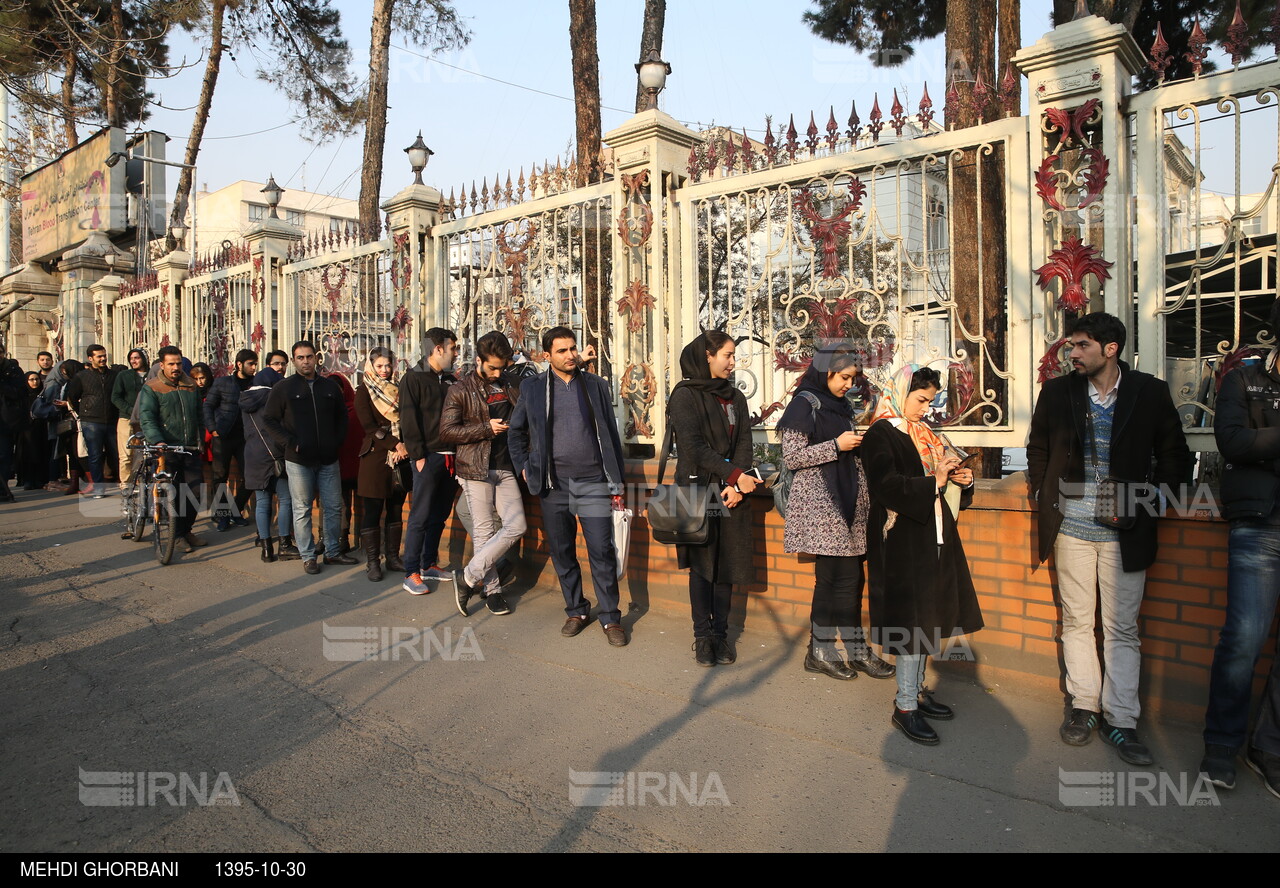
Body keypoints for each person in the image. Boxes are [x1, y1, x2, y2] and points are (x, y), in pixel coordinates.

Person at [1027, 311, 1191, 766]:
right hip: (1072, 529)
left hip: (1126, 533)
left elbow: (1175, 454)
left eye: (1081, 346)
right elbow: (1037, 445)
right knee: (1077, 622)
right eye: (1071, 346)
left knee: (1121, 628)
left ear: (1110, 349)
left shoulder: (1149, 392)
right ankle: (1084, 707)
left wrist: (1150, 499)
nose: (1072, 353)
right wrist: (1041, 489)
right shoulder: (1059, 392)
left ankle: (1122, 719)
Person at [862, 365, 983, 746]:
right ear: (901, 391)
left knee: (927, 617)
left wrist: (962, 478)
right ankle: (904, 707)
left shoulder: (925, 432)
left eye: (930, 400)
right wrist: (936, 480)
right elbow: (885, 486)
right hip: (900, 539)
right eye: (920, 399)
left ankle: (914, 694)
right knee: (911, 624)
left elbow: (941, 472)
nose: (925, 407)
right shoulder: (881, 433)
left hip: (933, 532)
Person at [1200, 297, 1280, 798]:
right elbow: (1232, 442)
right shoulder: (1245, 379)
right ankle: (1221, 746)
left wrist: (1264, 440)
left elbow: (1255, 444)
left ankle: (1268, 747)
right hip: (1261, 524)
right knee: (1245, 638)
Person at [777, 347, 893, 681]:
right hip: (822, 505)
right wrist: (836, 446)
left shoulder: (840, 406)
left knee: (852, 581)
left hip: (848, 503)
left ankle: (855, 651)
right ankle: (821, 651)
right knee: (832, 581)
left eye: (853, 378)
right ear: (826, 372)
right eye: (843, 377)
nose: (848, 385)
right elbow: (792, 457)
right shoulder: (804, 403)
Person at [509, 326, 628, 646]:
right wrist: (523, 466)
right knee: (562, 551)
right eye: (562, 350)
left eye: (572, 348)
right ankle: (576, 610)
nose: (570, 355)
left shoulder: (595, 386)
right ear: (546, 356)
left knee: (602, 550)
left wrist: (616, 482)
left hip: (591, 482)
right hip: (552, 484)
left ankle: (610, 617)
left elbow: (610, 436)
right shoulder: (532, 388)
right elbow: (515, 432)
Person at [664, 331, 756, 665]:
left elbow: (745, 441)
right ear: (707, 356)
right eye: (727, 355)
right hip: (697, 489)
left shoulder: (735, 397)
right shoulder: (685, 396)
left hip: (731, 493)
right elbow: (693, 447)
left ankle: (721, 636)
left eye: (733, 356)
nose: (733, 362)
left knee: (726, 565)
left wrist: (736, 483)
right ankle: (702, 636)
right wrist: (735, 475)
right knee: (703, 567)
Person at [440, 330, 525, 617]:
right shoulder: (460, 389)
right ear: (479, 360)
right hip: (475, 467)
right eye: (492, 367)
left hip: (506, 465)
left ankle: (467, 577)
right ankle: (493, 592)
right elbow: (447, 432)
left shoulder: (512, 383)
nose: (498, 372)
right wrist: (487, 428)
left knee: (516, 526)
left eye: (502, 367)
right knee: (484, 532)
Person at [262, 340, 356, 574]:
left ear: (317, 358)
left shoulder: (329, 387)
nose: (305, 361)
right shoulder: (283, 388)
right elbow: (269, 420)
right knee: (302, 508)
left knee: (333, 506)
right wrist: (291, 443)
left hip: (328, 458)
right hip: (298, 460)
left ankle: (333, 552)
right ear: (294, 361)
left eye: (309, 357)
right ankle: (308, 556)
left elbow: (341, 417)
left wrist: (335, 441)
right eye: (300, 358)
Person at [399, 327, 460, 594]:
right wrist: (418, 455)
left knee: (439, 514)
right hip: (428, 457)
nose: (456, 353)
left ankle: (428, 563)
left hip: (450, 456)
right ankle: (411, 571)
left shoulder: (449, 379)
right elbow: (409, 421)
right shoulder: (413, 378)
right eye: (453, 348)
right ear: (438, 349)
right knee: (420, 515)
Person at [136, 346, 208, 553]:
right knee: (174, 493)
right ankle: (176, 536)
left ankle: (186, 531)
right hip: (166, 449)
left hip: (190, 448)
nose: (176, 367)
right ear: (162, 365)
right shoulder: (152, 387)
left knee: (194, 491)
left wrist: (200, 440)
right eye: (171, 364)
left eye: (178, 363)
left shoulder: (191, 386)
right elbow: (147, 418)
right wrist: (157, 441)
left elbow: (199, 416)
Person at [353, 347, 409, 582]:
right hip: (376, 457)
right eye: (379, 366)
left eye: (388, 365)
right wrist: (396, 444)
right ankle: (373, 562)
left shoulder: (399, 388)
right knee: (373, 511)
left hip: (401, 457)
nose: (385, 370)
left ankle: (393, 557)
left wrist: (403, 446)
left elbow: (408, 419)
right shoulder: (363, 391)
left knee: (396, 508)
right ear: (371, 366)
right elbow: (369, 427)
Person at [241, 365, 295, 562]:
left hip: (253, 456)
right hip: (275, 455)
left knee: (262, 503)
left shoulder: (245, 401)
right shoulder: (275, 399)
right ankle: (284, 544)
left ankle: (265, 549)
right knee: (285, 500)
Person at [204, 349, 257, 531]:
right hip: (223, 436)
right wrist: (213, 429)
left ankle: (234, 510)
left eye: (255, 363)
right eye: (251, 364)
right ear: (239, 364)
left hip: (246, 438)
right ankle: (224, 515)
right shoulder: (222, 383)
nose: (254, 367)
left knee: (251, 477)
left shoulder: (256, 384)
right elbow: (208, 406)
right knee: (220, 477)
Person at [64, 344, 119, 497]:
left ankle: (123, 485)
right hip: (91, 421)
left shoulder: (114, 375)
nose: (102, 359)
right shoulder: (82, 376)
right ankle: (99, 488)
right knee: (95, 456)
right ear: (90, 358)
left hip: (112, 420)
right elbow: (72, 397)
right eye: (98, 356)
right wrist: (84, 411)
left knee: (115, 454)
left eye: (104, 355)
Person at [33, 359, 83, 494]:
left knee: (58, 451)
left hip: (59, 423)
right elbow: (53, 404)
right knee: (56, 451)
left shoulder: (59, 381)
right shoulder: (54, 383)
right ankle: (52, 480)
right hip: (57, 423)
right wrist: (63, 405)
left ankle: (55, 479)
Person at [327, 371, 363, 554]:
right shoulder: (325, 409)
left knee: (354, 504)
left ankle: (348, 539)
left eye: (338, 389)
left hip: (356, 465)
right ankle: (337, 539)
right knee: (338, 504)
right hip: (334, 465)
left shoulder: (356, 408)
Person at [110, 349, 148, 497]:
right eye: (131, 358)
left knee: (143, 453)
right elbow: (116, 397)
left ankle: (140, 482)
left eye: (137, 358)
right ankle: (126, 484)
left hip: (146, 420)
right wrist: (130, 410)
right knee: (126, 454)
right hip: (126, 418)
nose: (134, 361)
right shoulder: (123, 376)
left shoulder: (152, 375)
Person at [17, 371, 49, 491]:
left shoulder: (43, 395)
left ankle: (40, 479)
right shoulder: (23, 395)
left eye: (37, 379)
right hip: (26, 430)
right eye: (31, 380)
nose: (35, 382)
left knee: (41, 453)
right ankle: (28, 480)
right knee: (28, 455)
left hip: (41, 428)